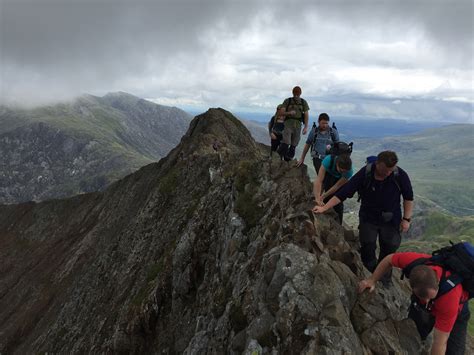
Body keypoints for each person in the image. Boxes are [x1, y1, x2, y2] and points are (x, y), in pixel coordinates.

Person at [313, 151, 414, 283]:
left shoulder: (399, 175)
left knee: (389, 248)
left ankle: (384, 279)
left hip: (391, 219)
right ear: (377, 164)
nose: (388, 173)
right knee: (367, 246)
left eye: (391, 170)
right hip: (369, 217)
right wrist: (324, 208)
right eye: (385, 170)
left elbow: (408, 197)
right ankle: (370, 273)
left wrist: (406, 219)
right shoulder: (365, 173)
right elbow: (344, 192)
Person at [358, 252, 470, 354]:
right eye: (423, 296)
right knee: (413, 332)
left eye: (430, 297)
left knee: (454, 351)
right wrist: (372, 280)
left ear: (437, 281)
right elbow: (388, 259)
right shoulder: (414, 262)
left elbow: (440, 343)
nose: (426, 301)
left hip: (457, 312)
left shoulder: (450, 299)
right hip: (422, 305)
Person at [313, 153, 353, 224]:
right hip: (329, 174)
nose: (343, 172)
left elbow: (337, 186)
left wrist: (324, 195)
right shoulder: (328, 160)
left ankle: (338, 224)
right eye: (341, 171)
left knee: (338, 201)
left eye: (344, 172)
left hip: (339, 180)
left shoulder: (349, 172)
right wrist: (317, 198)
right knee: (321, 198)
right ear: (337, 164)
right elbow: (319, 180)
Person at [277, 86, 309, 161]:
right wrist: (289, 113)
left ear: (300, 93)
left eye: (298, 94)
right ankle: (278, 156)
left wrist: (306, 127)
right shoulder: (287, 101)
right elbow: (281, 112)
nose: (296, 95)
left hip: (298, 125)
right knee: (286, 142)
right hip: (288, 124)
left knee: (294, 144)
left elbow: (306, 115)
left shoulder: (303, 102)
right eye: (295, 94)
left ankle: (288, 159)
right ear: (293, 93)